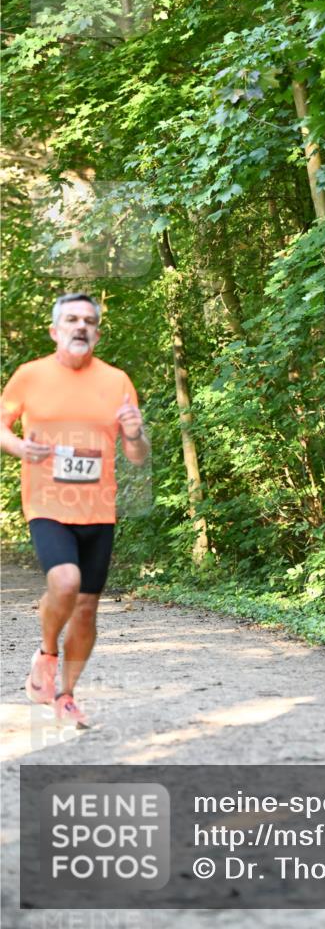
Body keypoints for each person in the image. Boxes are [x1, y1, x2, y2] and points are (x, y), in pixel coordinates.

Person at [0, 293, 149, 728]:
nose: (80, 326)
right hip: (46, 502)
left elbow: (136, 454)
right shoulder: (30, 376)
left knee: (86, 608)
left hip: (99, 508)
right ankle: (47, 653)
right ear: (55, 330)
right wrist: (17, 445)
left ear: (98, 333)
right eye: (71, 319)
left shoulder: (118, 381)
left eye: (88, 320)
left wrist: (137, 434)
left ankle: (66, 695)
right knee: (65, 581)